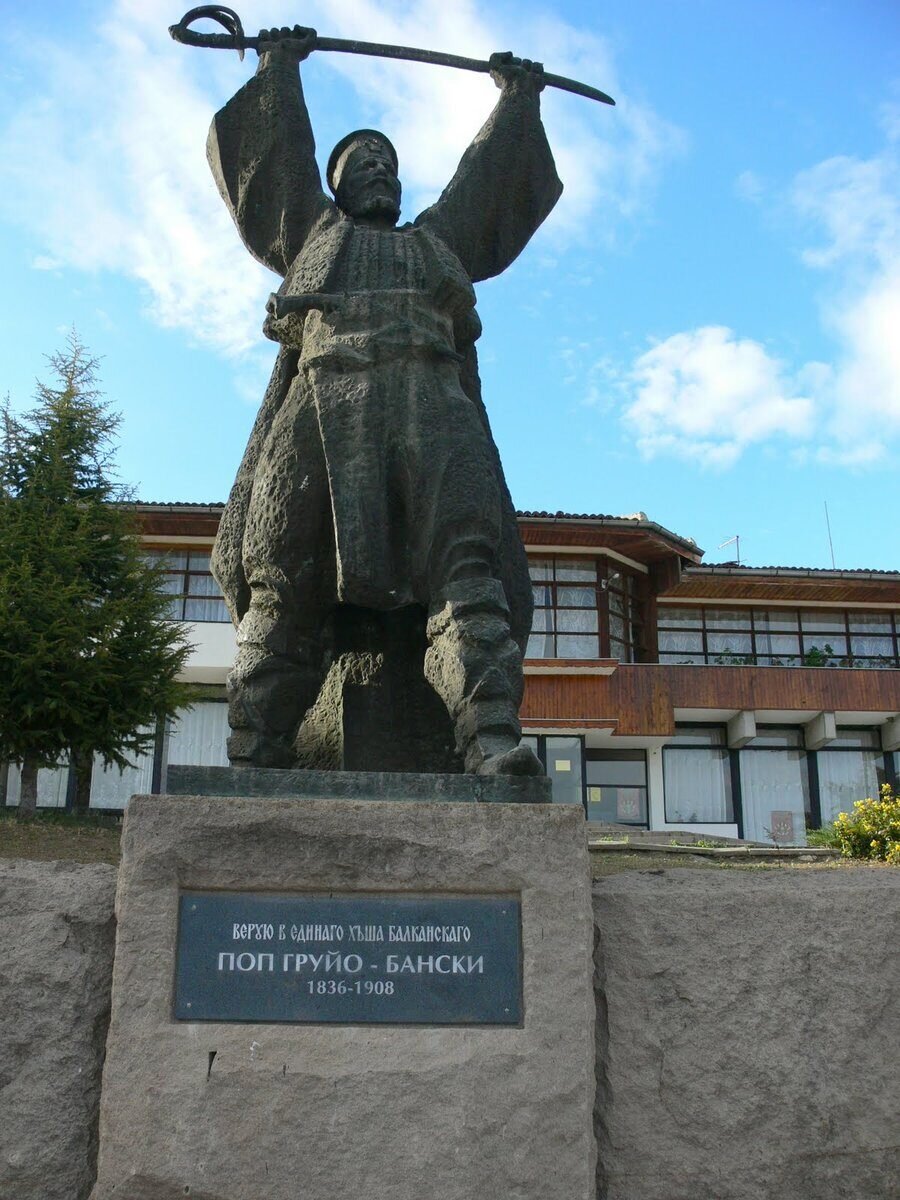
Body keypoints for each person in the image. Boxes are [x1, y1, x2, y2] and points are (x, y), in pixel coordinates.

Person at [208, 25, 562, 775]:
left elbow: (485, 184)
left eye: (389, 163)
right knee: (283, 566)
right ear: (336, 185)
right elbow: (277, 168)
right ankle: (255, 749)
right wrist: (278, 69)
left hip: (432, 398)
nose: (380, 170)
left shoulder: (436, 242)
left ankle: (490, 738)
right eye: (362, 162)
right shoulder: (316, 234)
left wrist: (517, 100)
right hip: (322, 397)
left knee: (466, 565)